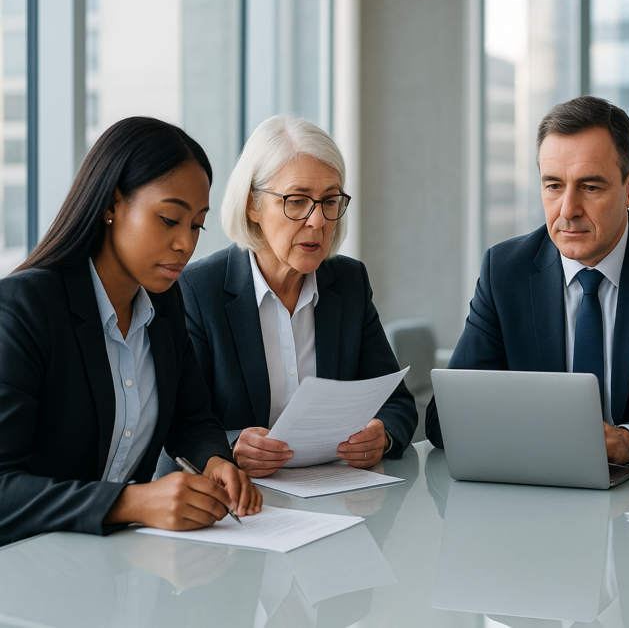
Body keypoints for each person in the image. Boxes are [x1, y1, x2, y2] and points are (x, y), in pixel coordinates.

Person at [426, 95, 629, 466]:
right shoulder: (505, 270)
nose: (568, 210)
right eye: (554, 186)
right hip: (537, 493)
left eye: (590, 187)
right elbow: (444, 420)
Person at [0, 116, 261, 546]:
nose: (187, 244)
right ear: (110, 205)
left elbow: (191, 417)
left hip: (114, 570)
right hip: (25, 583)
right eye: (168, 219)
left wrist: (214, 461)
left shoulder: (164, 302)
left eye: (196, 225)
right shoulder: (25, 308)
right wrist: (131, 502)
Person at [179, 114, 417, 477]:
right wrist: (228, 448)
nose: (317, 221)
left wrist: (381, 436)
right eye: (296, 201)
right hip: (243, 507)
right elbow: (178, 429)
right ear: (252, 205)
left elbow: (396, 402)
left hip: (339, 497)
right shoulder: (198, 291)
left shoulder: (349, 282)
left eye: (330, 201)